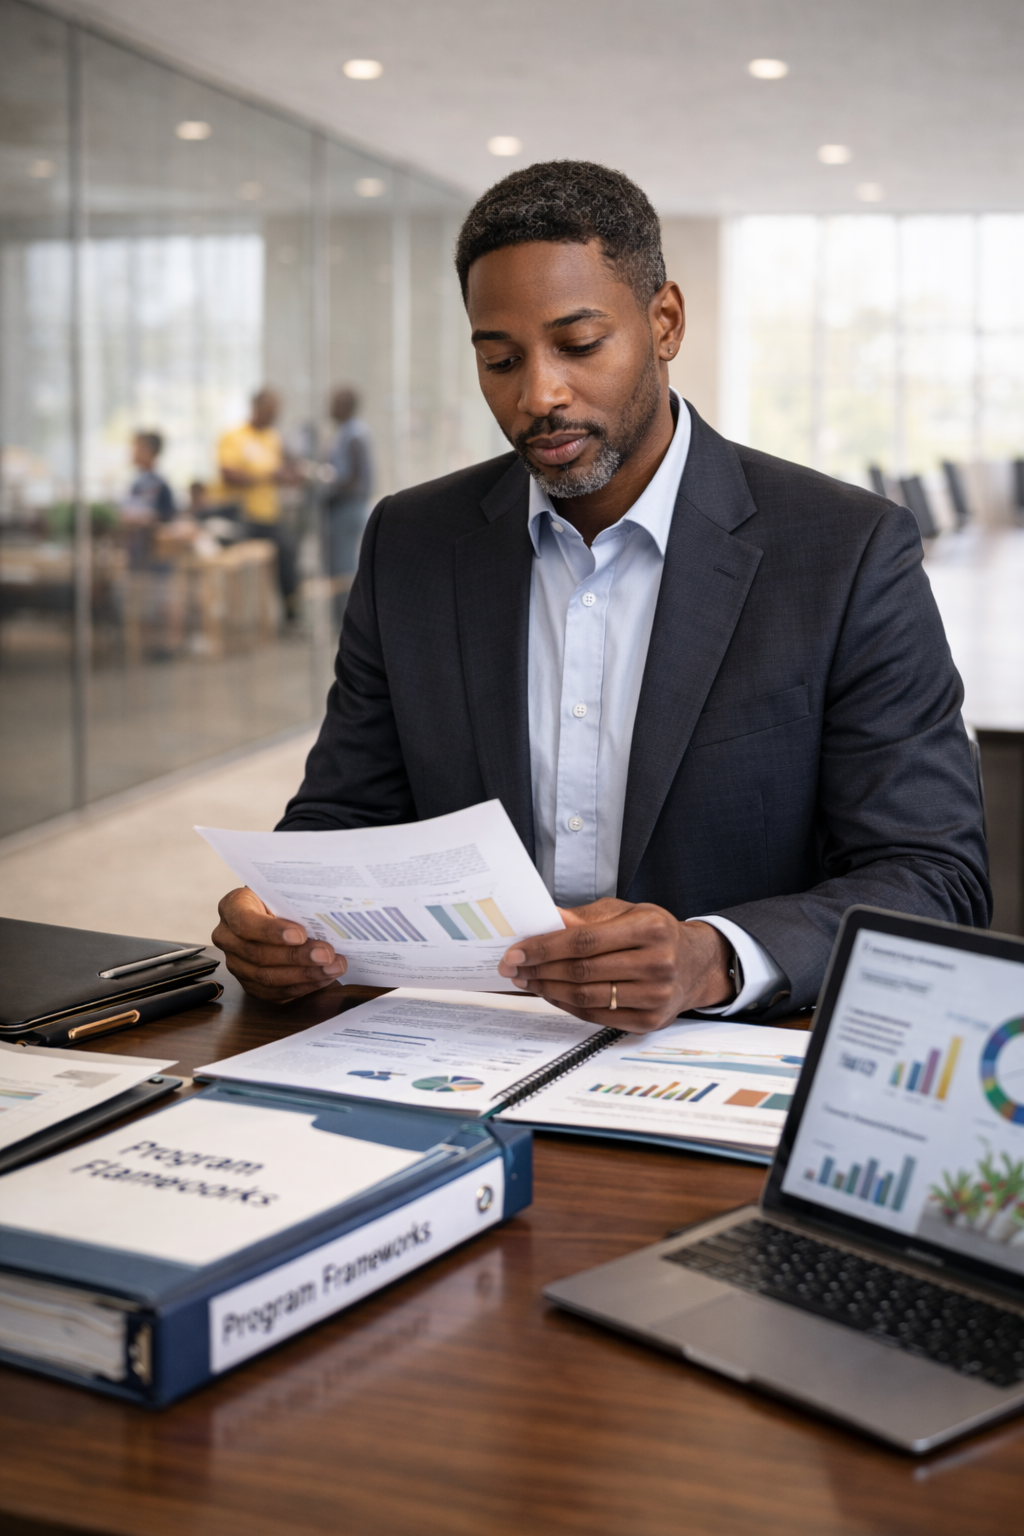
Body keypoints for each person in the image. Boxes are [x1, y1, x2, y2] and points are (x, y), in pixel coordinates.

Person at [214, 161, 990, 1033]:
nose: (537, 394)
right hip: (463, 1046)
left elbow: (934, 875)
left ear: (665, 322)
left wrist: (717, 955)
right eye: (500, 359)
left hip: (715, 1058)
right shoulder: (413, 542)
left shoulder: (845, 550)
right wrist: (280, 920)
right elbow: (346, 814)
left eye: (578, 346)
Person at [217, 388, 299, 618]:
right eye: (269, 412)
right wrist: (267, 477)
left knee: (288, 554)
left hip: (270, 515)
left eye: (276, 413)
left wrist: (290, 476)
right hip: (242, 515)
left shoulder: (273, 438)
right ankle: (236, 614)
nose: (273, 417)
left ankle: (292, 615)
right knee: (239, 566)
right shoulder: (234, 436)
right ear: (255, 409)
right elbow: (227, 474)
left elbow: (283, 470)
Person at [323, 385, 373, 625]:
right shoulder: (344, 432)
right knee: (339, 565)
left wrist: (326, 480)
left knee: (343, 567)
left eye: (335, 402)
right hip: (342, 507)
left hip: (348, 507)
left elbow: (354, 477)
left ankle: (348, 621)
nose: (329, 407)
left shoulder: (354, 434)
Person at [120, 430, 175, 569]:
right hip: (136, 553)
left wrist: (146, 519)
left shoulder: (159, 485)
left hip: (153, 558)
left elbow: (168, 517)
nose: (133, 451)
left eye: (136, 447)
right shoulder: (138, 483)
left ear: (149, 451)